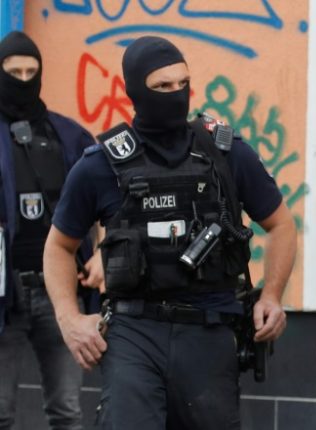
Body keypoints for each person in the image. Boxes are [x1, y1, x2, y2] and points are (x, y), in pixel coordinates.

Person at [43, 36, 297, 429]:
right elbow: (59, 246)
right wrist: (69, 319)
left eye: (183, 83)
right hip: (134, 332)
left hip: (210, 329)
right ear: (134, 90)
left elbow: (281, 225)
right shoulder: (101, 166)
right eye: (162, 86)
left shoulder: (224, 153)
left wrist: (273, 296)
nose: (176, 94)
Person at [0, 31, 100, 430]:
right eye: (14, 72)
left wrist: (102, 254)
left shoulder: (69, 136)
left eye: (31, 72)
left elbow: (109, 201)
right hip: (5, 293)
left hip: (61, 291)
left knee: (67, 411)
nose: (24, 80)